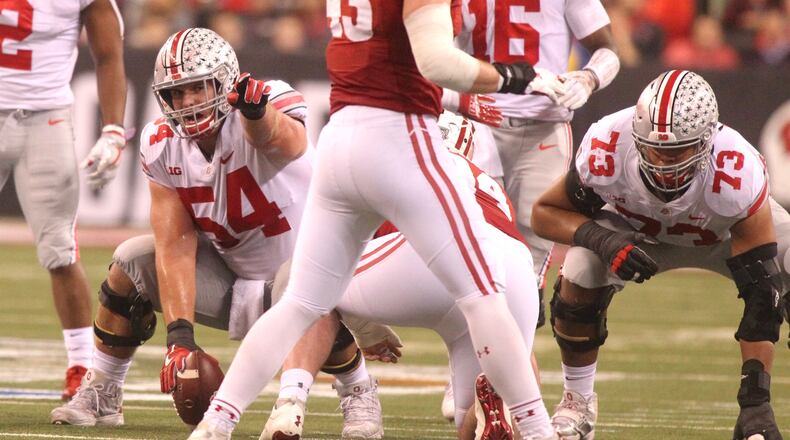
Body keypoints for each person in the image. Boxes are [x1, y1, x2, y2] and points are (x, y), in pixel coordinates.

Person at [188, 0, 568, 439]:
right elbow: (437, 61)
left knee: (300, 303)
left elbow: (393, 58)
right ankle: (540, 431)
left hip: (342, 138)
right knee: (484, 295)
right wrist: (515, 77)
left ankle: (216, 424)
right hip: (400, 137)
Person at [49, 28, 388, 435]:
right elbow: (174, 244)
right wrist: (179, 335)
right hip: (235, 281)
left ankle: (355, 390)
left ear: (224, 81)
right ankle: (103, 391)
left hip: (314, 276)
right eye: (175, 93)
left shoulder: (266, 102)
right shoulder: (161, 144)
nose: (186, 102)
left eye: (196, 88)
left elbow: (287, 143)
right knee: (131, 260)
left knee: (297, 279)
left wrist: (256, 115)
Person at [531, 69, 789, 440]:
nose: (663, 163)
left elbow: (761, 293)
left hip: (720, 234)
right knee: (581, 265)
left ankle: (760, 411)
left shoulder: (735, 169)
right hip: (638, 233)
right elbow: (544, 213)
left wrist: (755, 402)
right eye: (655, 149)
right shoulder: (608, 144)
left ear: (706, 141)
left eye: (677, 151)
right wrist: (603, 240)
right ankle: (577, 402)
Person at [259, 111, 547, 440]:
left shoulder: (404, 164)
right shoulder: (489, 186)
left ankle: (290, 403)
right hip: (513, 270)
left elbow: (335, 260)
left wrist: (365, 328)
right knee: (492, 385)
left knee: (305, 277)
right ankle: (508, 409)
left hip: (436, 259)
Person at [447, 0, 620, 333]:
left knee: (532, 261)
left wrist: (588, 78)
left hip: (544, 126)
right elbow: (434, 47)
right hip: (478, 120)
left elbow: (607, 48)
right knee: (478, 249)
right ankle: (473, 369)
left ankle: (511, 369)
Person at [0, 0, 126, 401]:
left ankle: (80, 365)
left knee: (59, 247)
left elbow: (108, 54)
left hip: (45, 115)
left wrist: (113, 131)